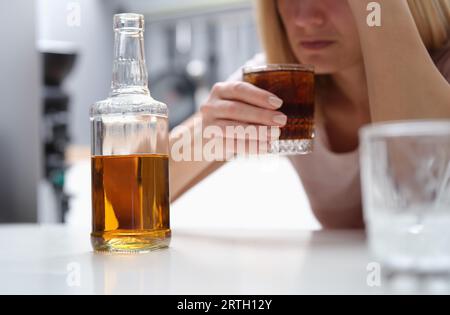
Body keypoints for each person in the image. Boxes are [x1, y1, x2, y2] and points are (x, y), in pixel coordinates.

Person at [169, 0, 450, 229]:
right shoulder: (282, 82)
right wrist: (205, 135)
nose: (304, 18)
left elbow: (420, 199)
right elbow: (131, 201)